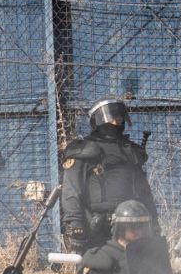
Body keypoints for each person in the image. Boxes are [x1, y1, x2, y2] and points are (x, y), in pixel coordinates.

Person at [60, 98, 162, 254]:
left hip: (133, 225)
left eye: (119, 117)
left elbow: (144, 192)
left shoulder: (130, 151)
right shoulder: (84, 149)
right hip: (97, 227)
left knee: (138, 273)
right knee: (97, 271)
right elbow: (71, 192)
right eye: (111, 117)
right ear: (98, 120)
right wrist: (76, 225)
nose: (116, 121)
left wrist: (153, 222)